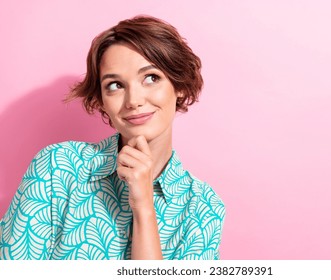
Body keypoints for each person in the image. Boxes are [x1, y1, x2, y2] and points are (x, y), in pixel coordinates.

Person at [0, 15, 225, 260]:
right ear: (102, 101)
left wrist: (144, 209)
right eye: (116, 85)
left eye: (151, 78)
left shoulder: (203, 208)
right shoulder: (58, 168)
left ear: (179, 84)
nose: (134, 101)